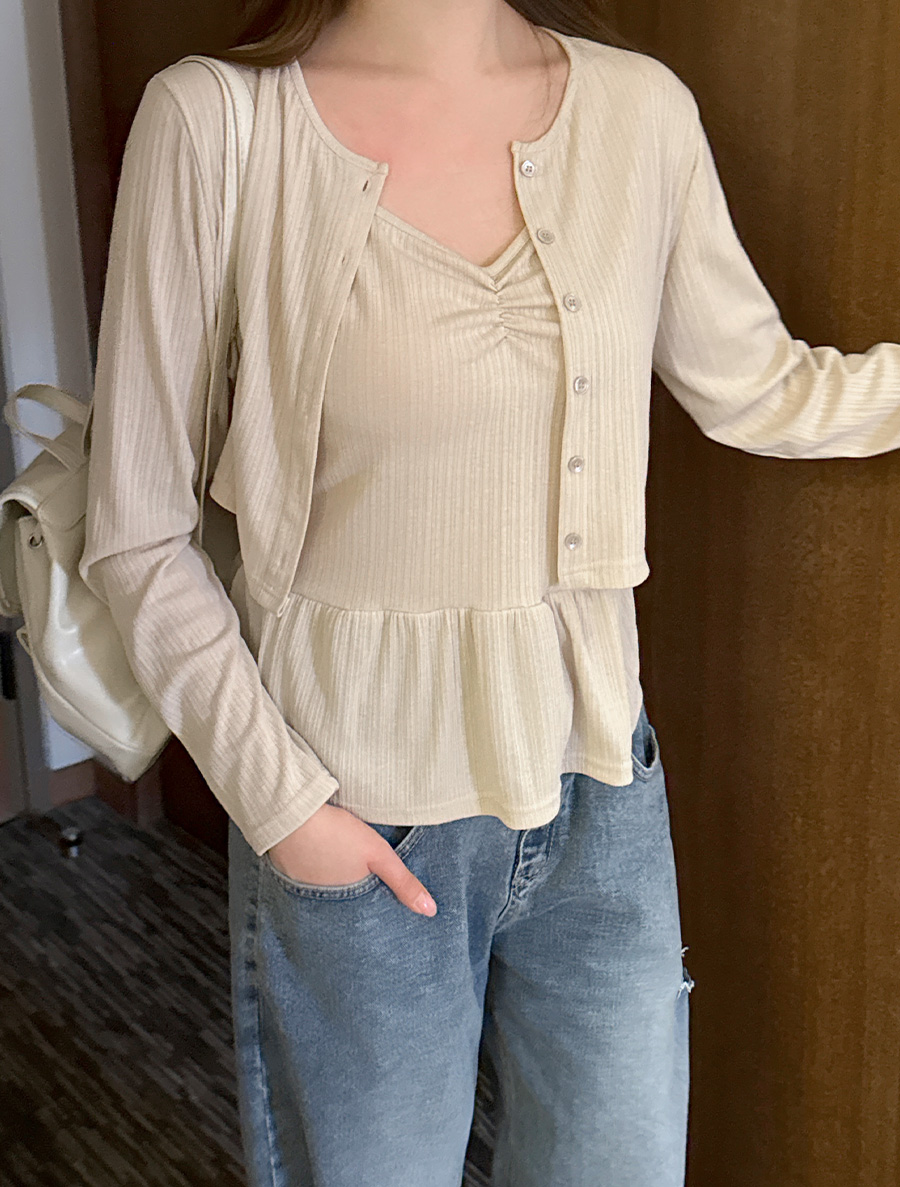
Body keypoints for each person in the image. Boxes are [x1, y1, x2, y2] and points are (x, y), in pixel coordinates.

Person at [79, 1, 900, 1184]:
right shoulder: (217, 123)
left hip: (601, 794)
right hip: (354, 809)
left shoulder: (640, 113)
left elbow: (760, 387)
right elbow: (136, 532)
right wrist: (288, 808)